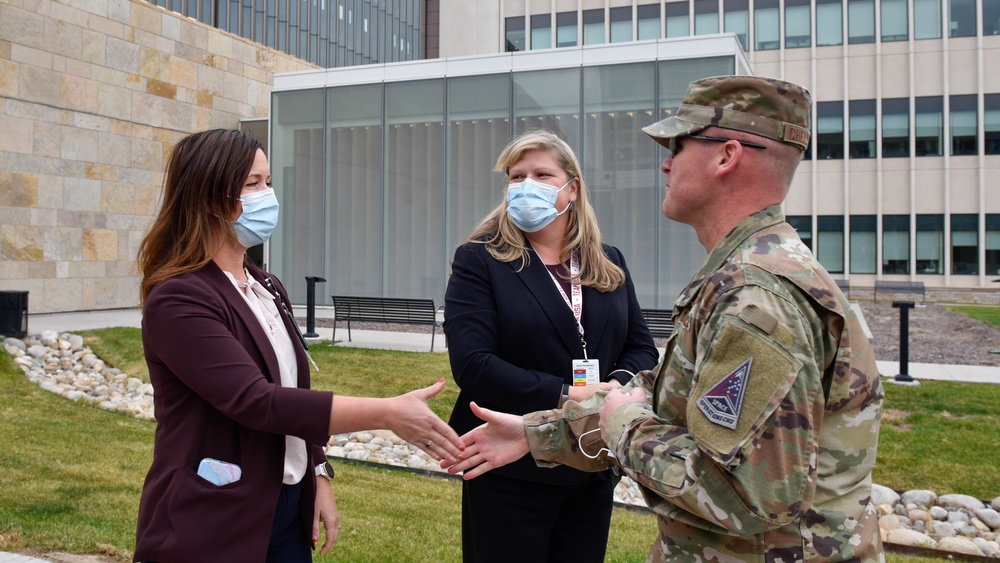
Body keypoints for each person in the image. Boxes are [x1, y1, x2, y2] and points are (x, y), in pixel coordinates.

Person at [444, 76, 885, 562]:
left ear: (726, 156)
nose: (665, 162)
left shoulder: (756, 298)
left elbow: (742, 493)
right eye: (515, 176)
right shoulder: (741, 277)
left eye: (678, 145)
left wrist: (619, 417)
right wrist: (542, 432)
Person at [134, 128, 464, 563]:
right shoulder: (180, 298)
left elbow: (295, 396)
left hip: (286, 507)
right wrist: (386, 413)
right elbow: (256, 401)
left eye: (268, 182)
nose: (266, 195)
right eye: (252, 184)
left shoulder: (267, 285)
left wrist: (318, 473)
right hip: (213, 516)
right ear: (208, 196)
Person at [444, 129, 659, 562]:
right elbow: (474, 365)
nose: (526, 185)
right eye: (516, 176)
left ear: (572, 188)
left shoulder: (609, 262)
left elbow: (641, 348)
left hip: (589, 459)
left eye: (542, 174)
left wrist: (612, 386)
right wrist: (570, 395)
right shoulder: (480, 260)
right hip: (509, 464)